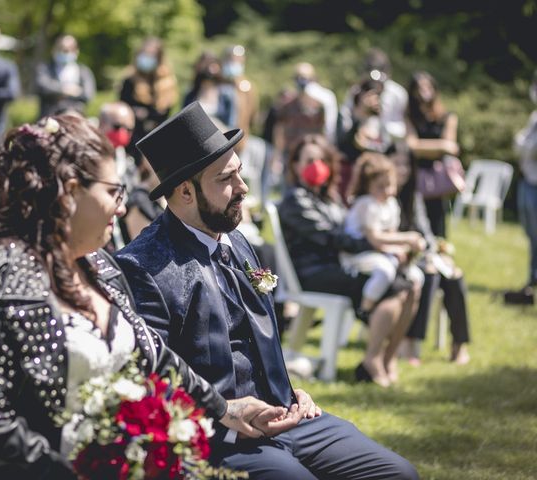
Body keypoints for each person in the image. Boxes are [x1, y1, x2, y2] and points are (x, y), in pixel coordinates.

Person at [0, 113, 291, 477]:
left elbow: (150, 352)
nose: (122, 209)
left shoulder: (98, 267)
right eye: (114, 192)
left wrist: (224, 409)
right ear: (70, 192)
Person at [115, 103, 419, 479]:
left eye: (239, 173)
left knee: (397, 473)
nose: (242, 188)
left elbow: (260, 336)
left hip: (290, 415)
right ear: (185, 192)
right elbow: (151, 377)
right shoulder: (142, 266)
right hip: (219, 434)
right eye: (226, 179)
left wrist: (291, 392)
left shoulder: (238, 242)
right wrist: (225, 413)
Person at [279, 134, 421, 388]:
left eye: (322, 159)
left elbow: (351, 232)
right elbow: (334, 238)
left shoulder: (328, 197)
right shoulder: (296, 200)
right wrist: (379, 244)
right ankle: (372, 360)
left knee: (410, 285)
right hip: (314, 272)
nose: (317, 165)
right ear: (296, 165)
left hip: (339, 266)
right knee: (397, 287)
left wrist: (383, 245)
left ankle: (385, 358)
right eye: (310, 160)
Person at [392, 148, 471, 364]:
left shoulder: (413, 195)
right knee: (430, 274)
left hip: (418, 254)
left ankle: (459, 344)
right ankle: (411, 343)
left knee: (454, 275)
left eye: (406, 164)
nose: (402, 169)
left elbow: (425, 232)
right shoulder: (381, 193)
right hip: (394, 258)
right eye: (396, 163)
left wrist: (434, 252)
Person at [342, 152, 426, 320]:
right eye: (380, 186)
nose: (387, 191)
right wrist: (408, 238)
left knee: (417, 275)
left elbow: (390, 234)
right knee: (385, 271)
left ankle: (403, 316)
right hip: (357, 254)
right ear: (368, 186)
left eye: (390, 185)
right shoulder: (366, 204)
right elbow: (375, 238)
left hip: (378, 251)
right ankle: (365, 310)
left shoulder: (391, 204)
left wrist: (401, 249)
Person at [406, 70, 460, 238]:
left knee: (438, 223)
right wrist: (440, 147)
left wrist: (423, 148)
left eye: (427, 87)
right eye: (419, 88)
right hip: (415, 177)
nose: (423, 92)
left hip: (437, 180)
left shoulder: (447, 116)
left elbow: (451, 147)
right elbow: (412, 146)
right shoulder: (409, 116)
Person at [504, 71, 537, 305]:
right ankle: (532, 280)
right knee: (532, 236)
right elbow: (521, 146)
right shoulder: (535, 117)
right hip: (528, 180)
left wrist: (526, 146)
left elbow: (528, 147)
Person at [119, 37, 178, 153]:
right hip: (133, 138)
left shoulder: (167, 82)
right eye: (144, 54)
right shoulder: (130, 80)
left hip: (157, 137)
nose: (147, 58)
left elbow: (165, 112)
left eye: (151, 55)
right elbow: (123, 105)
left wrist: (146, 113)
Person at [35, 34, 96, 118]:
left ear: (76, 51)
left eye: (67, 50)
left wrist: (57, 94)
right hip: (49, 118)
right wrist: (66, 89)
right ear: (54, 50)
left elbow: (87, 95)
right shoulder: (44, 68)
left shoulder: (83, 71)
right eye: (60, 49)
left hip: (75, 118)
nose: (63, 52)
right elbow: (42, 87)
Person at [184, 51, 237, 129]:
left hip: (220, 137)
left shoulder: (227, 93)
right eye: (206, 65)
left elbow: (231, 123)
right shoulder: (191, 93)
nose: (209, 69)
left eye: (212, 65)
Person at [97, 101, 137, 189]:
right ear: (101, 123)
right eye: (117, 126)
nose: (123, 132)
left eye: (129, 129)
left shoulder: (127, 163)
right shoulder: (83, 149)